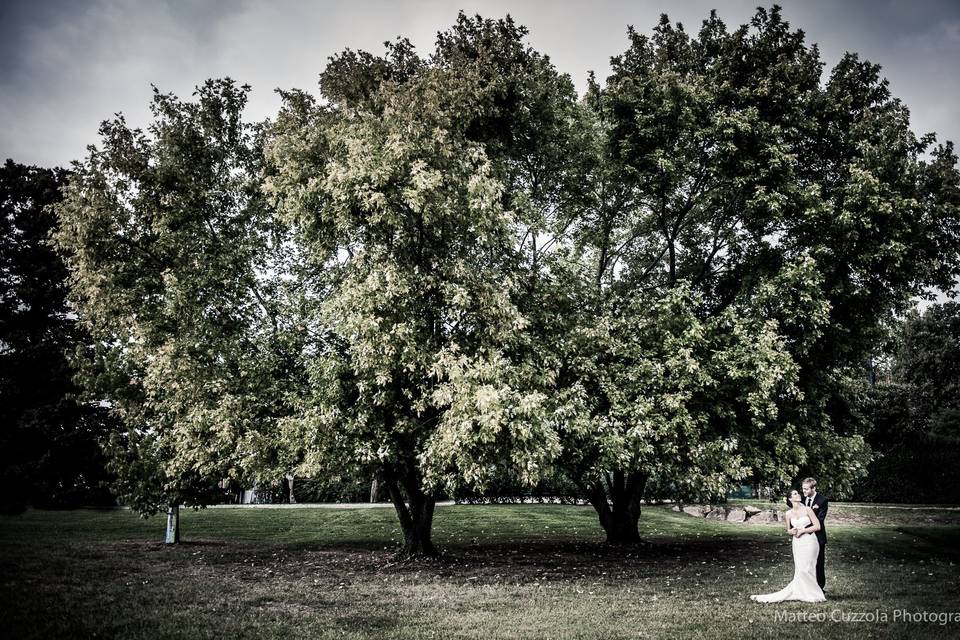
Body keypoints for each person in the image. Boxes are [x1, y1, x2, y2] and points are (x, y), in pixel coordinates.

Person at [750, 489, 826, 603]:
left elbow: (817, 526)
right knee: (800, 568)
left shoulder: (807, 509)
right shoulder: (788, 514)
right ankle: (802, 591)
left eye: (798, 493)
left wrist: (803, 530)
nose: (798, 494)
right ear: (790, 498)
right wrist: (793, 531)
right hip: (797, 543)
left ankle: (813, 593)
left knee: (808, 567)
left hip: (810, 541)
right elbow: (788, 530)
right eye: (795, 494)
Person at [802, 477, 828, 590]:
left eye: (806, 489)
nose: (804, 492)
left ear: (813, 488)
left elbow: (820, 519)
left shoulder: (822, 500)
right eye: (803, 489)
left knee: (819, 562)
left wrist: (804, 528)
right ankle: (807, 585)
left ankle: (820, 587)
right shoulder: (802, 499)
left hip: (818, 536)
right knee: (805, 561)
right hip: (803, 537)